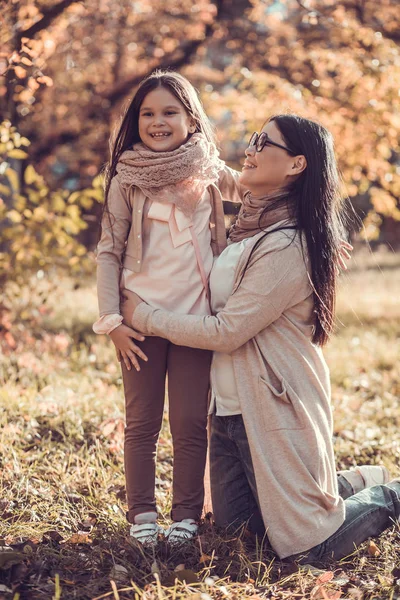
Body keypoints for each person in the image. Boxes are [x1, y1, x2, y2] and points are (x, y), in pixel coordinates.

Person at [121, 114, 400, 562]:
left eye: (263, 142)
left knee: (306, 550)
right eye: (253, 139)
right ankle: (341, 484)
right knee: (241, 536)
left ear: (296, 165)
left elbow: (229, 331)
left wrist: (145, 316)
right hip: (228, 412)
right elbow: (205, 191)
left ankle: (389, 496)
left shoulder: (290, 242)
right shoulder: (249, 224)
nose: (249, 149)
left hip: (273, 407)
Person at [93, 70, 245, 546]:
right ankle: (142, 516)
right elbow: (108, 250)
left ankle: (184, 517)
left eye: (169, 113)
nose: (157, 122)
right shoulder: (127, 179)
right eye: (147, 114)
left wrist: (317, 222)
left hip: (195, 321)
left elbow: (264, 191)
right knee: (141, 422)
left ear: (191, 119)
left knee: (188, 422)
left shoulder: (211, 171)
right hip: (138, 321)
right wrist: (112, 321)